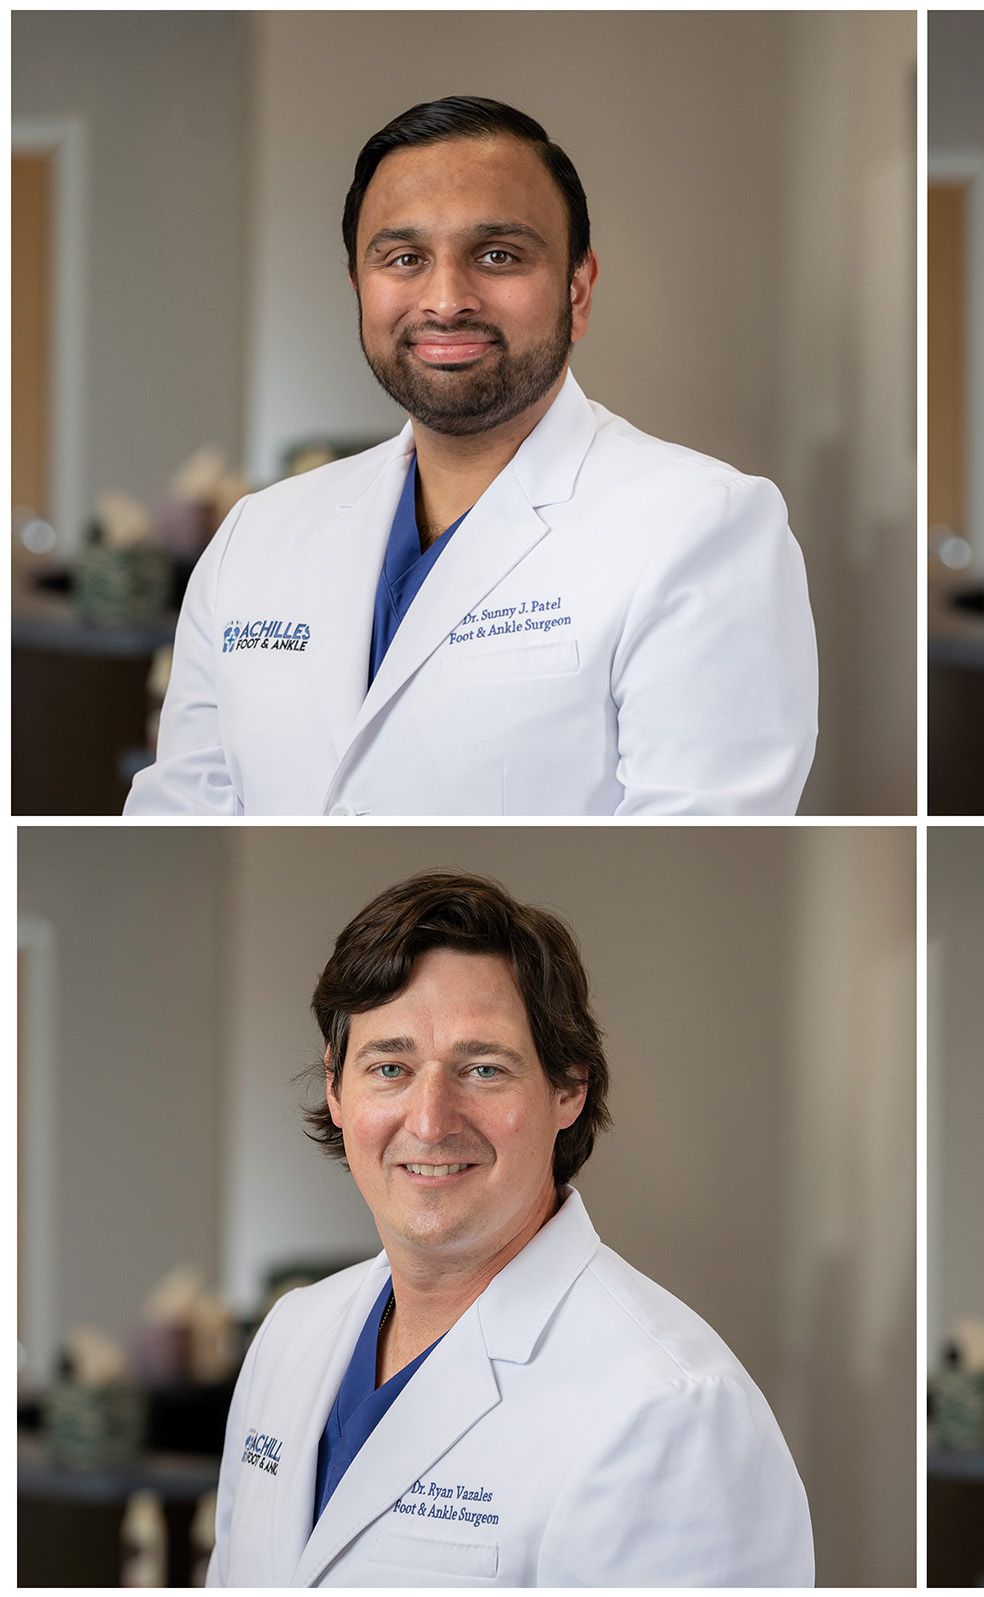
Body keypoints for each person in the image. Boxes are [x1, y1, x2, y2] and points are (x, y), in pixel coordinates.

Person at [126, 97, 817, 817]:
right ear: (359, 288)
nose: (447, 300)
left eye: (498, 255)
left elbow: (698, 822)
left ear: (577, 291)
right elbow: (179, 805)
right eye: (404, 258)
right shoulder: (254, 536)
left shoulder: (703, 525)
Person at [207, 872, 815, 1585]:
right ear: (337, 1089)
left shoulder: (672, 1411)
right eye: (391, 1065)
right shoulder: (291, 1336)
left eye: (484, 1068)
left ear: (569, 1089)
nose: (431, 1120)